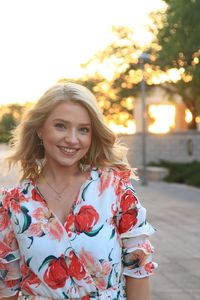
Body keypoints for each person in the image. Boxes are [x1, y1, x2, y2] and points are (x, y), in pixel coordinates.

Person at [0, 82, 157, 300]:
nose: (73, 139)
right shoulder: (13, 203)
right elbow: (7, 286)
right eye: (61, 126)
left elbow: (138, 268)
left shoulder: (114, 188)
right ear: (39, 129)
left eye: (83, 129)